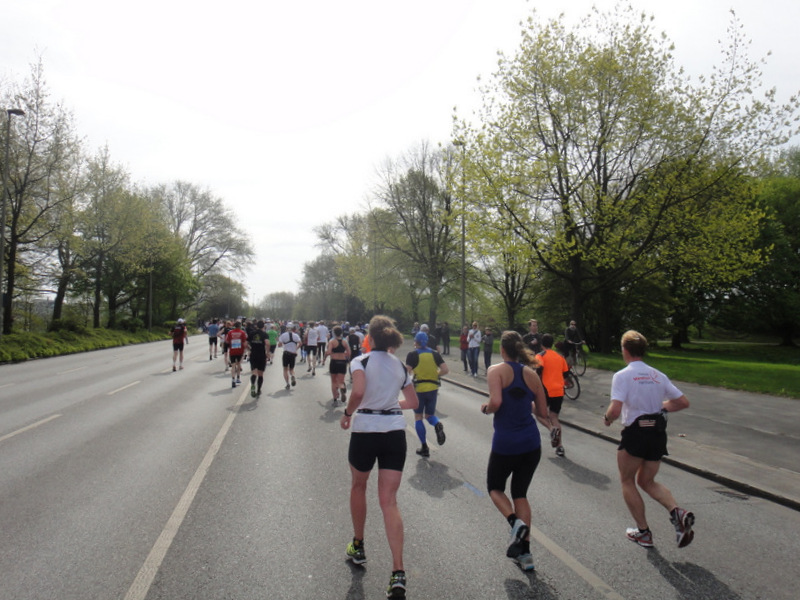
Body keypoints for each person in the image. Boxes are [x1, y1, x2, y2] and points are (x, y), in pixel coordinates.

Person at [340, 315, 418, 599]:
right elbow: (413, 402)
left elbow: (358, 391)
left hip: (366, 431)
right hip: (394, 433)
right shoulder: (399, 365)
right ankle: (398, 572)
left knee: (358, 486)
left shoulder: (361, 361)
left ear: (370, 338)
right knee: (389, 500)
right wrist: (389, 405)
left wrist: (348, 413)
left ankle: (358, 545)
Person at [603, 330, 694, 549]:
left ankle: (643, 532)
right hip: (657, 434)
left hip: (635, 433)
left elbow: (615, 409)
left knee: (627, 480)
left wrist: (607, 419)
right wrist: (660, 407)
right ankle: (677, 512)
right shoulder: (657, 375)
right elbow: (682, 402)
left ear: (625, 350)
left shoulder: (622, 375)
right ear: (643, 350)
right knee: (647, 481)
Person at [480, 330, 548, 572]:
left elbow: (496, 402)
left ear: (502, 350)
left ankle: (515, 523)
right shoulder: (532, 375)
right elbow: (542, 411)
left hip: (506, 444)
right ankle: (526, 555)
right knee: (520, 494)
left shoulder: (495, 371)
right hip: (531, 444)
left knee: (495, 488)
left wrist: (486, 408)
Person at [405, 331, 449, 458]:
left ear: (416, 342)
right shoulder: (435, 354)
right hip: (433, 388)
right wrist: (435, 375)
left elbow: (406, 373)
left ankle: (424, 447)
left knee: (418, 416)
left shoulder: (412, 355)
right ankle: (437, 424)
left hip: (419, 389)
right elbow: (445, 370)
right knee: (430, 415)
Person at [535, 333, 570, 457]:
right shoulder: (560, 357)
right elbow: (566, 374)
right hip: (559, 390)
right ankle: (559, 447)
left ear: (541, 344)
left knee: (538, 413)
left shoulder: (540, 355)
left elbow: (538, 370)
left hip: (546, 390)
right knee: (554, 416)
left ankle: (551, 429)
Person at [326, 325, 351, 406]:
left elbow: (329, 352)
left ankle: (335, 399)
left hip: (334, 362)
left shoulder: (332, 341)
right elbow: (349, 353)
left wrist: (330, 353)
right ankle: (342, 387)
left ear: (334, 332)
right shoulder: (345, 341)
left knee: (333, 381)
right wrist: (343, 354)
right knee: (341, 380)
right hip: (342, 362)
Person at [247, 320, 270, 397]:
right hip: (261, 355)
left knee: (254, 372)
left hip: (253, 354)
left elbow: (245, 343)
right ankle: (259, 390)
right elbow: (267, 343)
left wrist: (249, 349)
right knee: (260, 374)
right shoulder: (264, 334)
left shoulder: (252, 333)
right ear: (263, 326)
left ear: (256, 326)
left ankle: (253, 384)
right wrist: (267, 353)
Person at [278, 323, 302, 390]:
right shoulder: (296, 335)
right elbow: (300, 343)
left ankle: (287, 383)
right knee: (291, 369)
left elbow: (279, 344)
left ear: (287, 328)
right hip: (293, 354)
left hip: (286, 353)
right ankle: (293, 376)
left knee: (285, 369)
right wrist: (296, 349)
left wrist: (281, 344)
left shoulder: (283, 335)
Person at [226, 321, 248, 388]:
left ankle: (233, 380)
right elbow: (244, 342)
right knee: (238, 364)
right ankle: (238, 378)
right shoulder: (242, 332)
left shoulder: (230, 332)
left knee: (233, 366)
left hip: (232, 351)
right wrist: (246, 350)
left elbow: (227, 341)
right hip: (239, 351)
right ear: (240, 326)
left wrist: (231, 342)